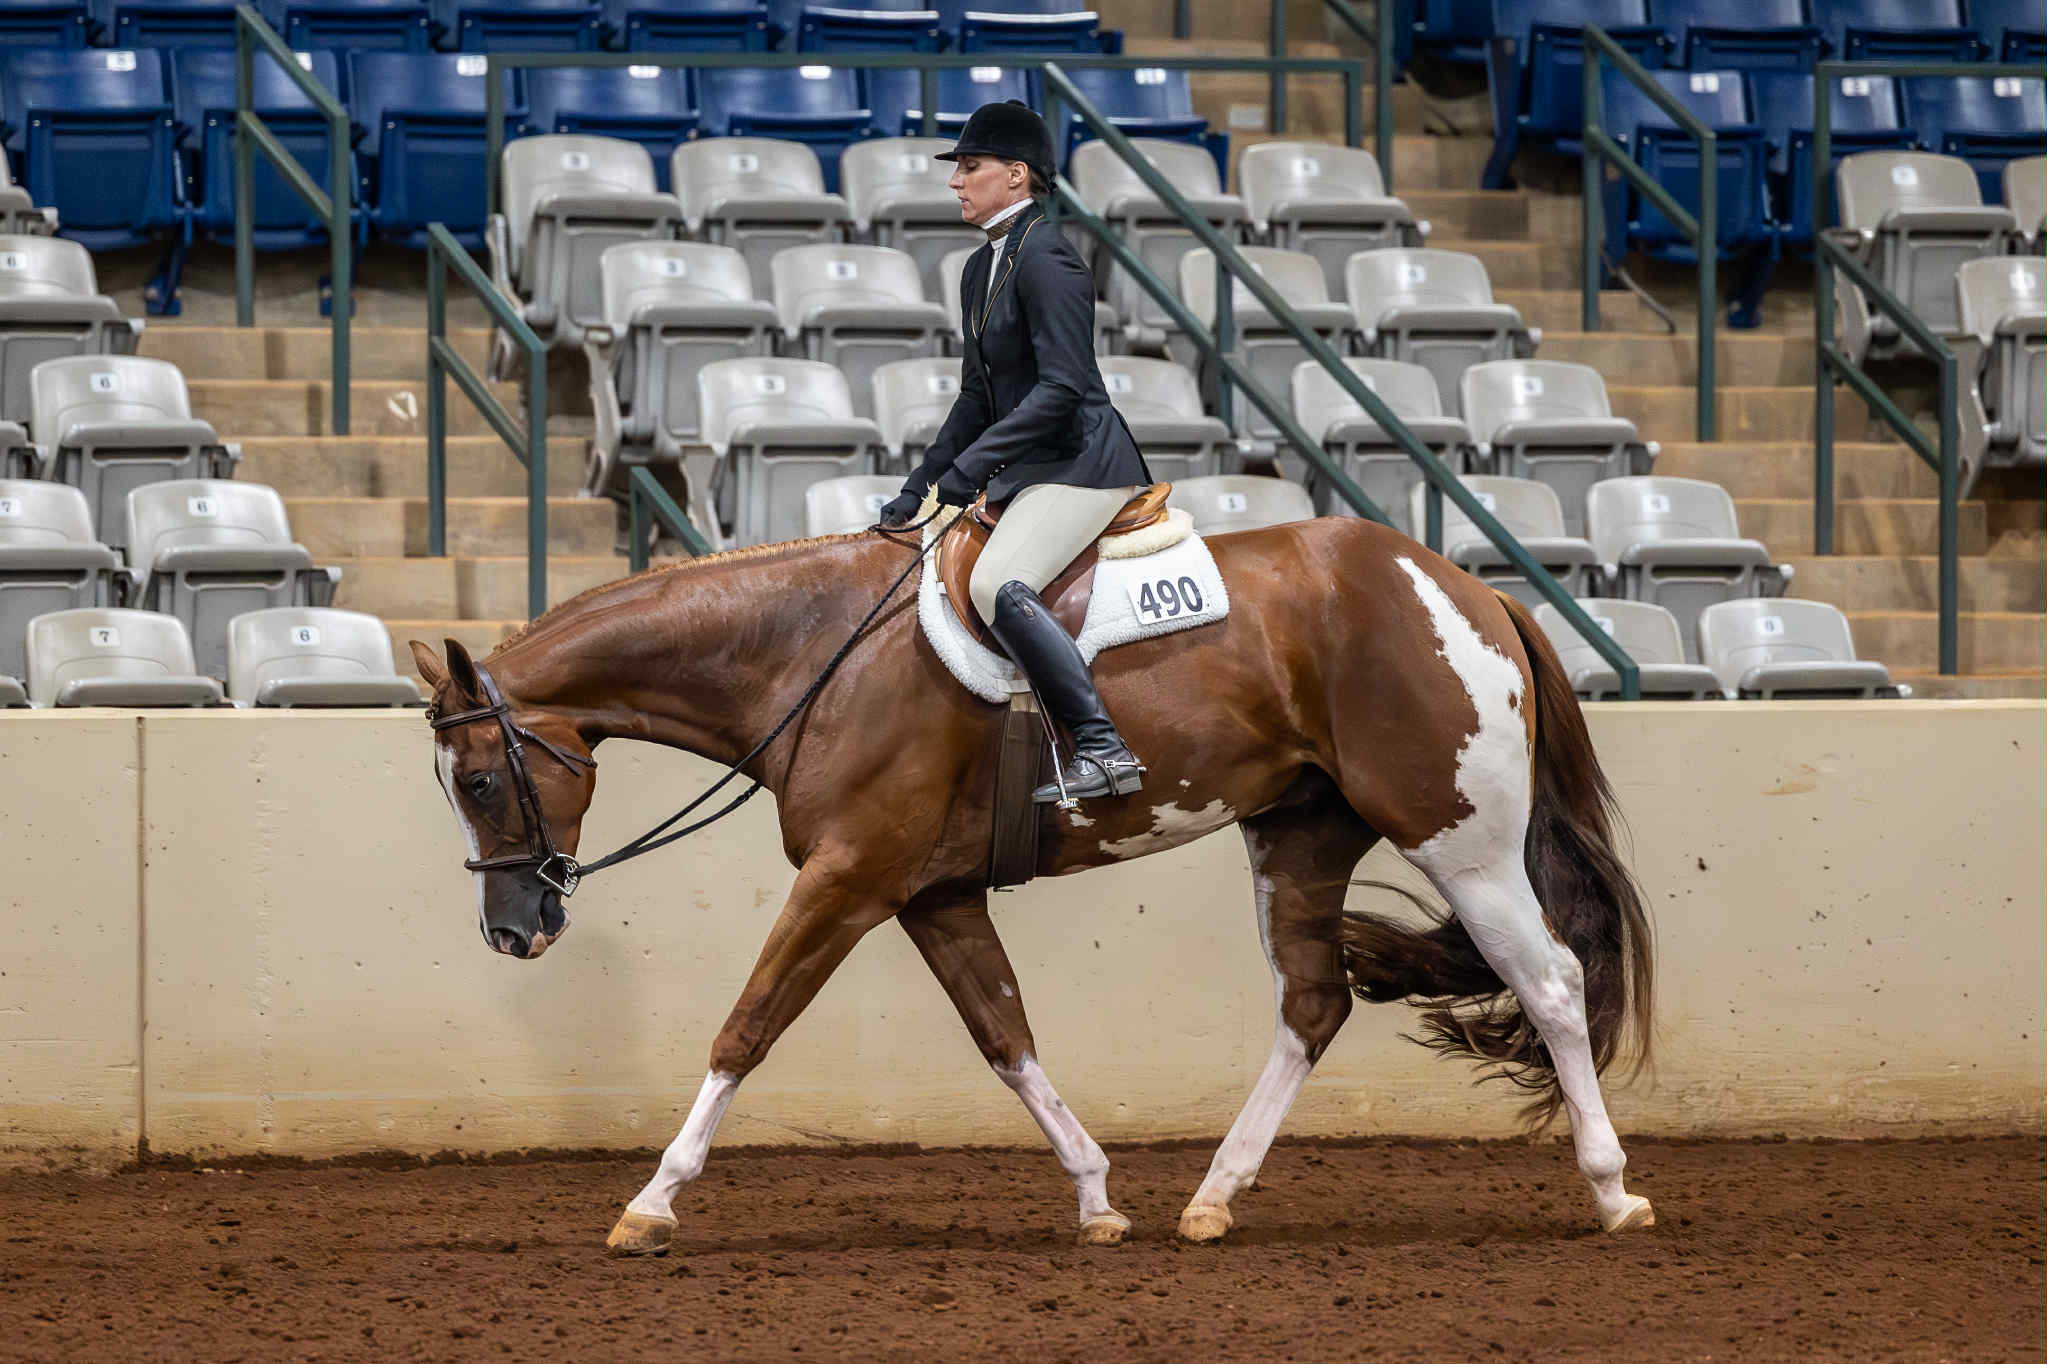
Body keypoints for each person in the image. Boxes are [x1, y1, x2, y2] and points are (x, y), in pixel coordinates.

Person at [875, 100, 1153, 805]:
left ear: (1016, 175)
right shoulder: (980, 268)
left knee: (997, 583)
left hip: (1081, 464)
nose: (955, 182)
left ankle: (1101, 745)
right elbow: (976, 396)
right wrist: (922, 481)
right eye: (958, 169)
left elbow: (1063, 389)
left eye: (970, 167)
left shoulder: (1049, 258)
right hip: (1031, 468)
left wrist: (971, 470)